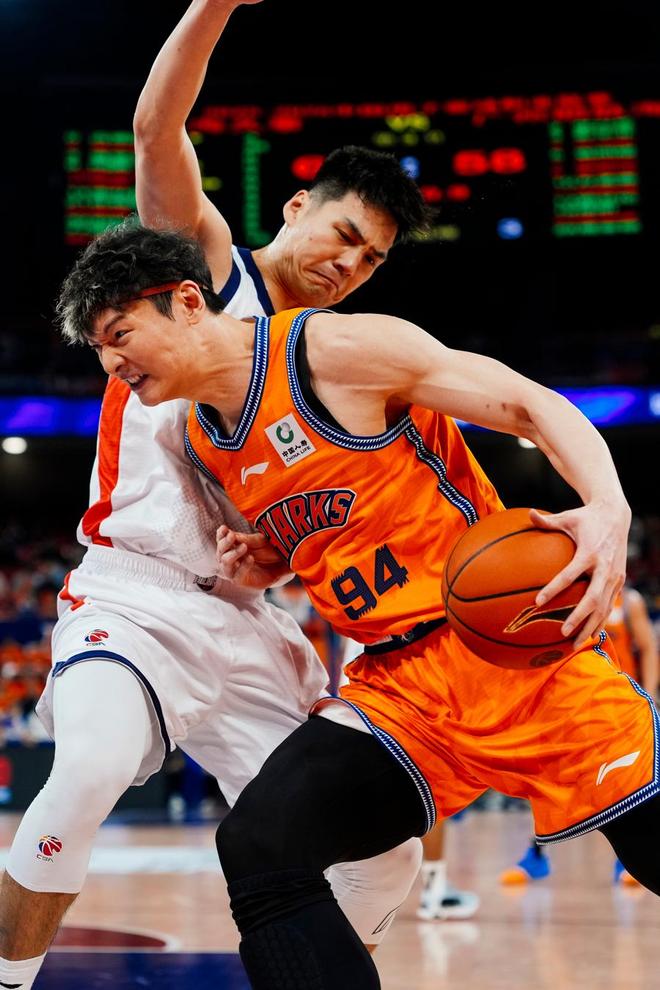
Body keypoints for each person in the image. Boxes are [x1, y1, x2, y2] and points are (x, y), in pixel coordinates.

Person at [55, 222, 660, 990]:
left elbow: (528, 403)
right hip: (399, 690)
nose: (112, 362)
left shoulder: (333, 352)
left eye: (120, 334)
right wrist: (274, 560)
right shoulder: (203, 439)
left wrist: (607, 508)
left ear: (187, 301)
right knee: (260, 844)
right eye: (98, 348)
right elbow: (329, 528)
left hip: (510, 655)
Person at [0, 5, 436, 988]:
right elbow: (156, 127)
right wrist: (215, 5)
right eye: (344, 234)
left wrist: (282, 555)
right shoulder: (204, 271)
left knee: (384, 853)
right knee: (88, 771)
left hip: (248, 619)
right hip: (137, 593)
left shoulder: (329, 361)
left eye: (372, 258)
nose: (349, 264)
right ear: (297, 207)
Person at [500, 582, 659, 888]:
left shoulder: (630, 601)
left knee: (623, 787)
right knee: (545, 783)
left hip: (616, 709)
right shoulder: (567, 590)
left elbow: (648, 648)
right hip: (571, 706)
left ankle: (625, 862)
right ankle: (536, 855)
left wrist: (649, 693)